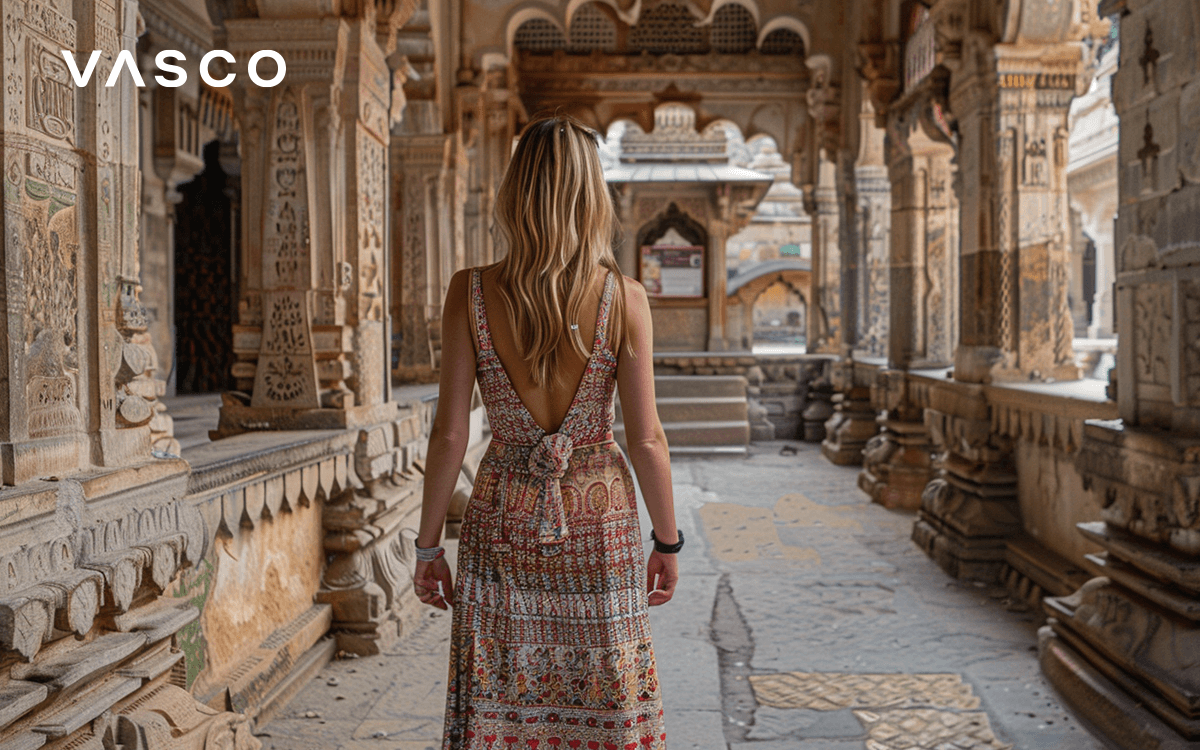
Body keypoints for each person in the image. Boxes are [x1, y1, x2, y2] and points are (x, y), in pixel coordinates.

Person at [411, 113, 682, 750]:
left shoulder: (470, 293)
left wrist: (427, 550)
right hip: (601, 517)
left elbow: (449, 435)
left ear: (515, 192)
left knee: (504, 696)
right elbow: (646, 440)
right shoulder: (625, 299)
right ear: (594, 198)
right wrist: (667, 542)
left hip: (505, 510)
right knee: (606, 688)